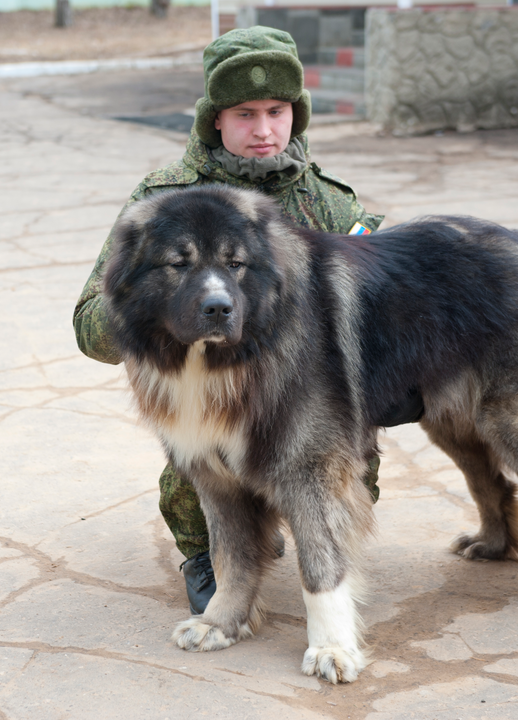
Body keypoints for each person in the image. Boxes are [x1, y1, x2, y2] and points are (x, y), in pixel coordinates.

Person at [73, 26, 384, 614]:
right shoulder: (164, 199)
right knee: (203, 470)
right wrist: (155, 311)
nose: (264, 131)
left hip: (302, 411)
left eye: (277, 111)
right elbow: (91, 324)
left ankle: (312, 549)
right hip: (207, 412)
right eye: (244, 114)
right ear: (215, 119)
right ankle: (208, 552)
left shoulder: (329, 202)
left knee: (342, 471)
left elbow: (377, 311)